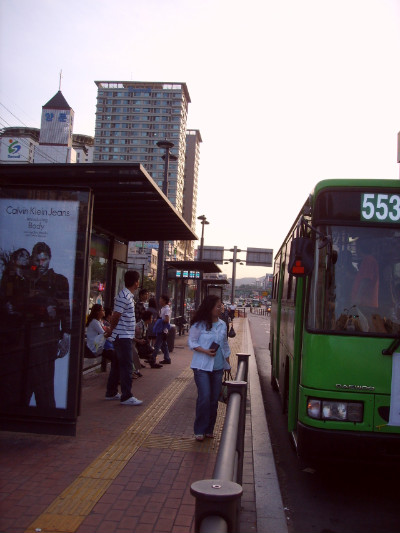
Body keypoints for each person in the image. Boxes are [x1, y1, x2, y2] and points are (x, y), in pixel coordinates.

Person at [24, 242, 71, 409]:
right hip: (25, 339)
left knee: (44, 385)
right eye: (38, 260)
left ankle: (47, 411)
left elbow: (65, 309)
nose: (41, 263)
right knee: (25, 385)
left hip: (46, 338)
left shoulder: (59, 280)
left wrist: (66, 334)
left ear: (50, 259)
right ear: (33, 260)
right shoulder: (26, 279)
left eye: (44, 259)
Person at [188, 295, 231, 441]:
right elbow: (192, 342)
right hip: (201, 367)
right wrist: (205, 351)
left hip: (218, 367)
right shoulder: (199, 325)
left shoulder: (223, 324)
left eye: (221, 306)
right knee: (205, 397)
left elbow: (224, 345)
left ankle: (209, 429)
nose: (220, 308)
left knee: (213, 399)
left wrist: (228, 363)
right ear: (210, 307)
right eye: (218, 306)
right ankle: (199, 429)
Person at [107, 270, 143, 405]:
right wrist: (111, 329)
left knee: (117, 365)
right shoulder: (124, 296)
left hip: (123, 335)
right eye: (138, 280)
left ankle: (111, 392)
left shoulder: (126, 295)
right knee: (127, 366)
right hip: (122, 336)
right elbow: (116, 315)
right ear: (136, 282)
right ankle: (126, 396)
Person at [351, 239, 379, 308]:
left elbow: (366, 280)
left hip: (365, 303)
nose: (356, 250)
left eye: (356, 247)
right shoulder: (367, 260)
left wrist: (358, 298)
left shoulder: (368, 260)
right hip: (364, 303)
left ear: (360, 248)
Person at [149, 294, 171, 367]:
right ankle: (167, 358)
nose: (159, 301)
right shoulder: (163, 308)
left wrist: (159, 321)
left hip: (162, 330)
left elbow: (167, 320)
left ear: (164, 301)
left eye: (161, 300)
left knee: (157, 344)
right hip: (161, 329)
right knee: (164, 344)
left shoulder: (166, 309)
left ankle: (153, 358)